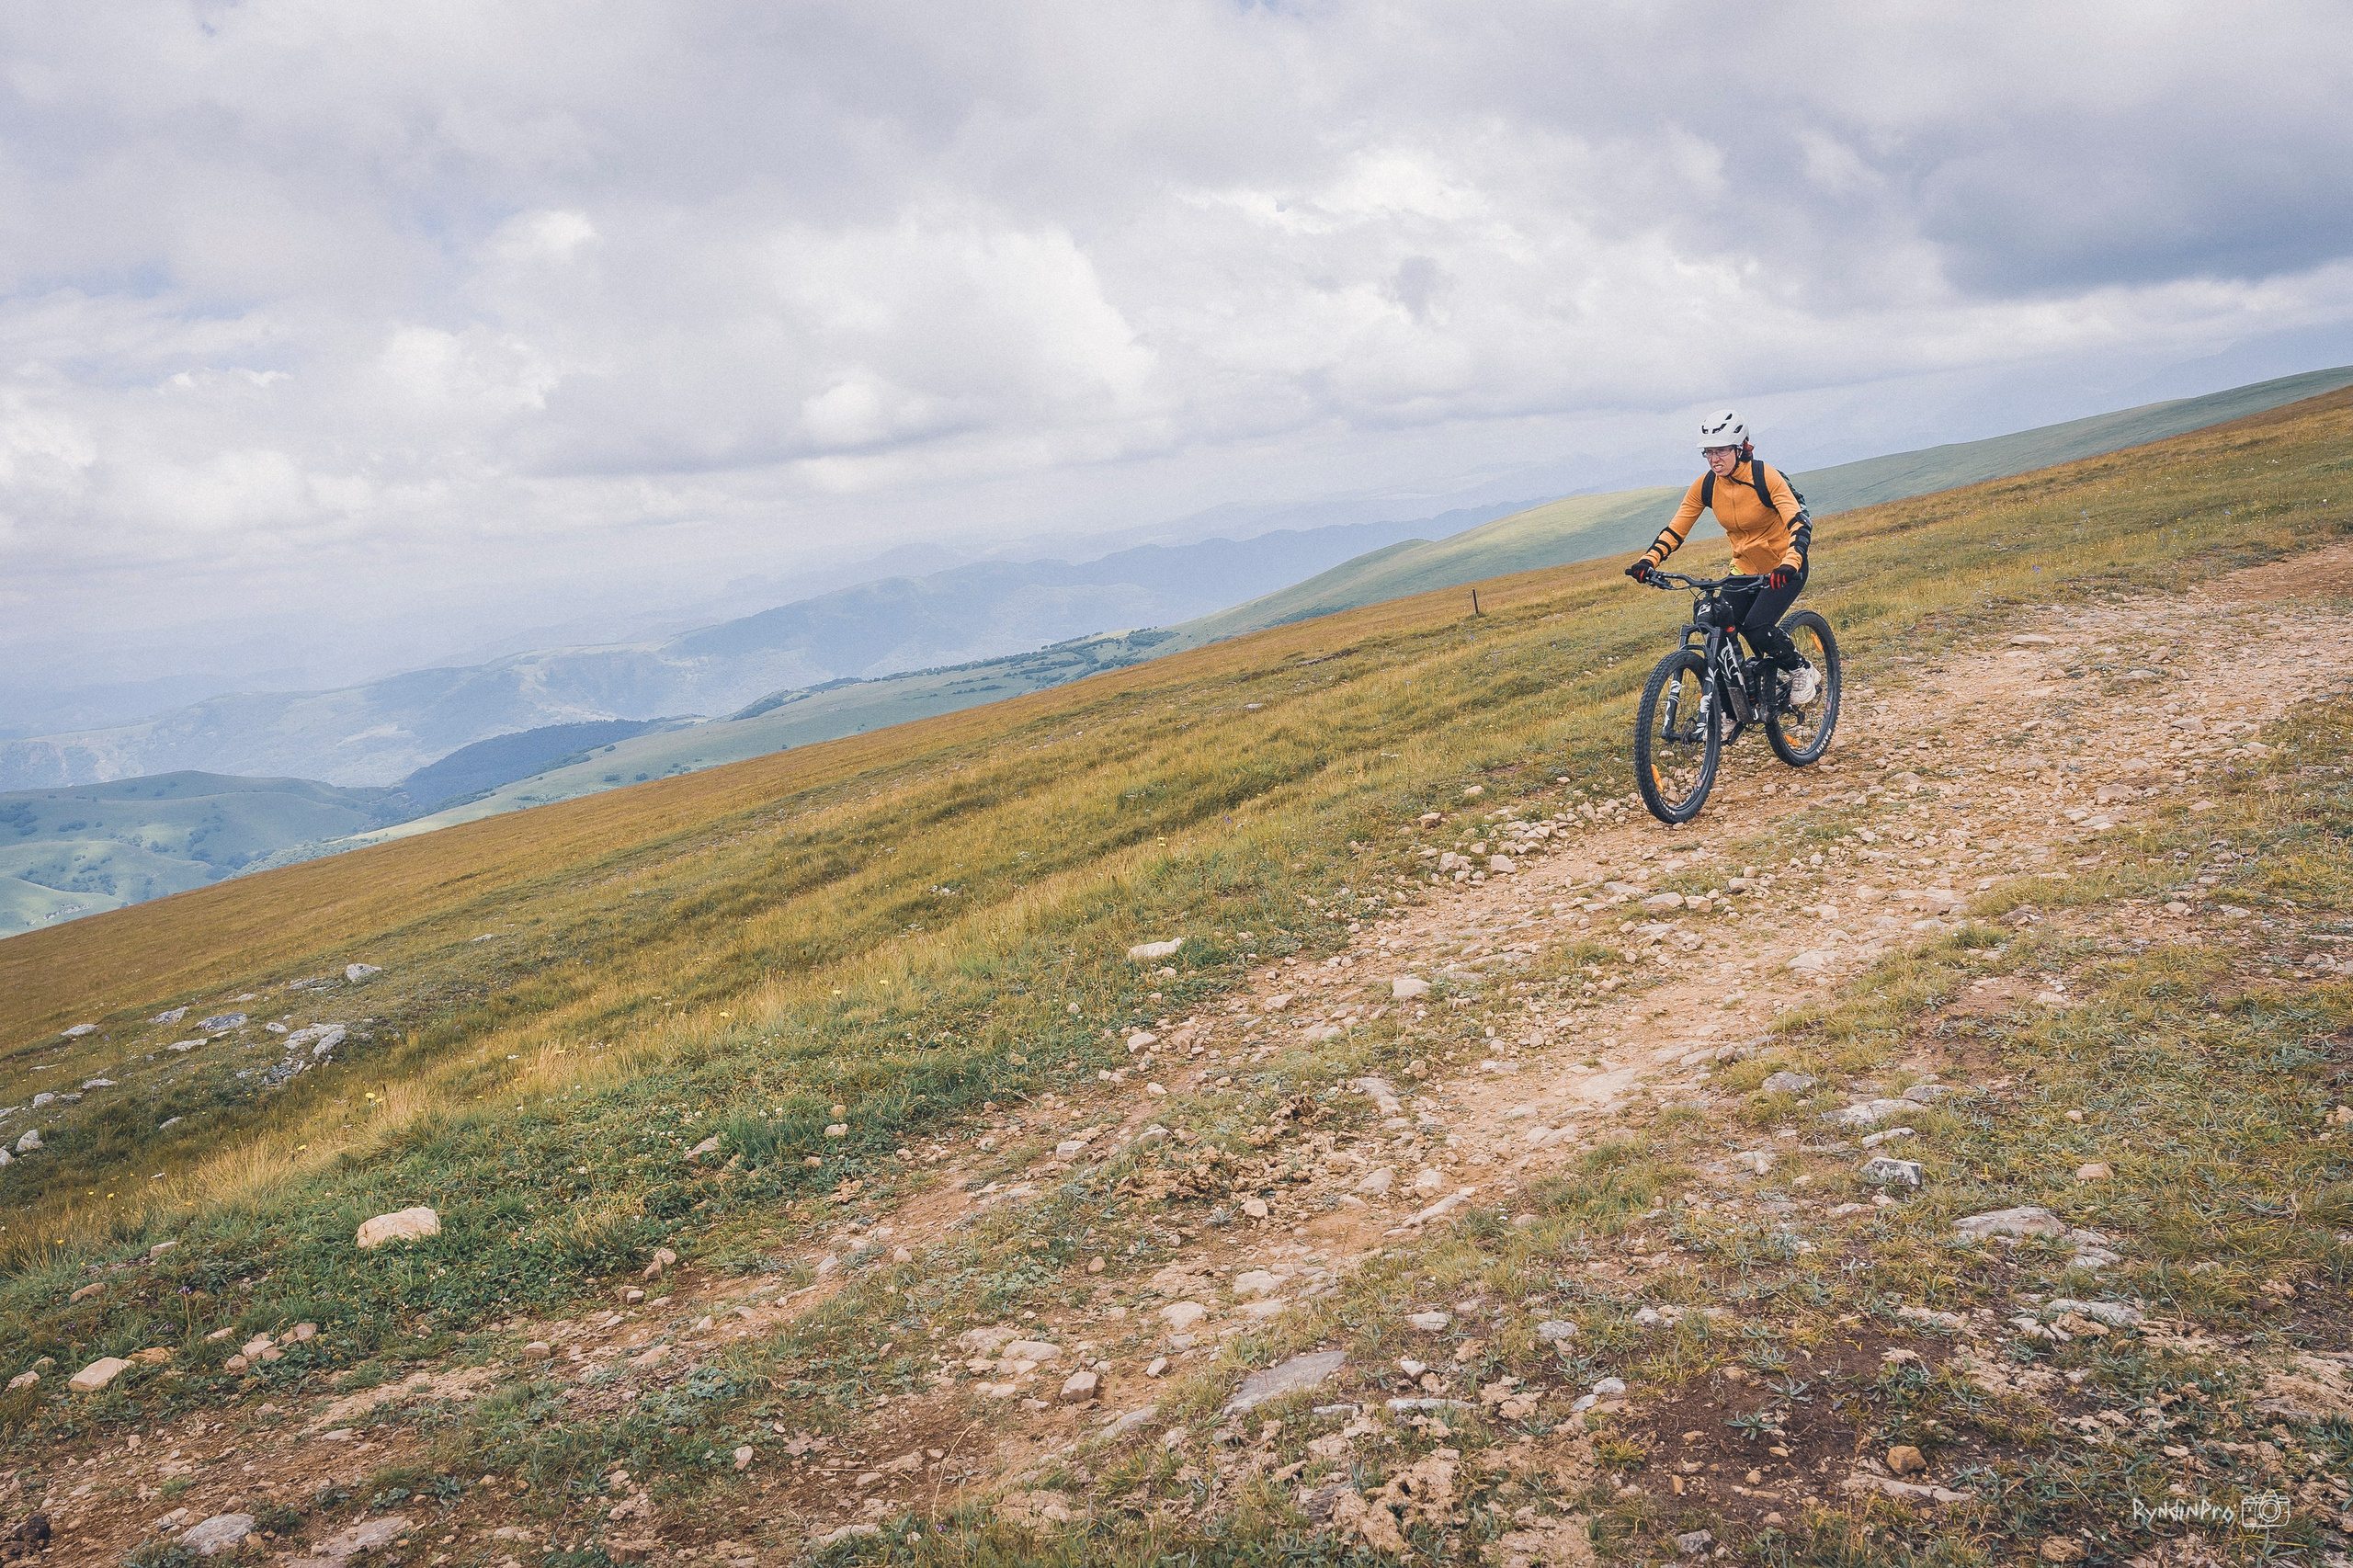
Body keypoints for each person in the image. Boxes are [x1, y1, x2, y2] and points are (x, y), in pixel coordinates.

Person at [1624, 409, 1818, 705]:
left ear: (1741, 449)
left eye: (1722, 451)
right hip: (1743, 569)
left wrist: (1790, 563)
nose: (1715, 459)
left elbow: (1798, 522)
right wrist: (1649, 561)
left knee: (1757, 627)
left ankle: (1801, 669)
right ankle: (1734, 704)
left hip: (1783, 567)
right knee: (1715, 624)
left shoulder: (1766, 477)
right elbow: (1677, 529)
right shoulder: (1706, 486)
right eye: (1709, 452)